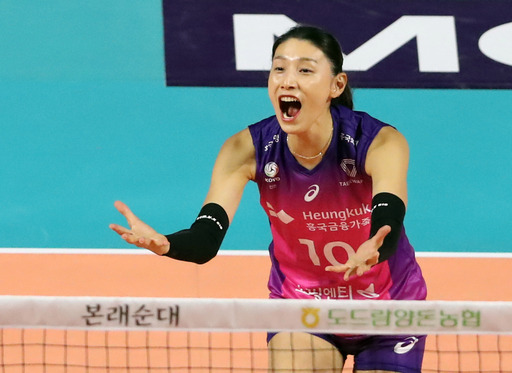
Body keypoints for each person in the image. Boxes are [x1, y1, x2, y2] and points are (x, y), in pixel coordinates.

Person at [110, 25, 427, 373]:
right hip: (303, 309)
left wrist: (377, 247)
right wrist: (167, 244)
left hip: (389, 309)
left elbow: (389, 213)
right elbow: (205, 240)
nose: (287, 81)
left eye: (305, 70)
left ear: (336, 85)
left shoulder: (378, 141)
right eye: (279, 68)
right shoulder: (246, 150)